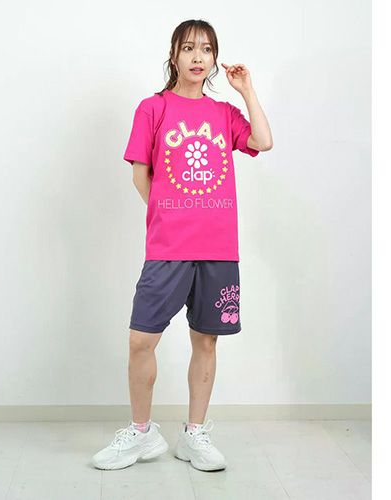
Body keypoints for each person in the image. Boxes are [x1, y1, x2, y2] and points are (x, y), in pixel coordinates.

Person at [92, 19, 273, 472]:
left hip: (218, 248)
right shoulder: (153, 109)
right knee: (141, 340)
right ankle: (141, 434)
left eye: (207, 49)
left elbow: (263, 141)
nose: (198, 57)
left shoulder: (223, 113)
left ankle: (194, 435)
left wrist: (246, 90)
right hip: (168, 246)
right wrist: (168, 214)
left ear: (214, 59)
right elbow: (141, 175)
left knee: (205, 340)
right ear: (173, 55)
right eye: (189, 48)